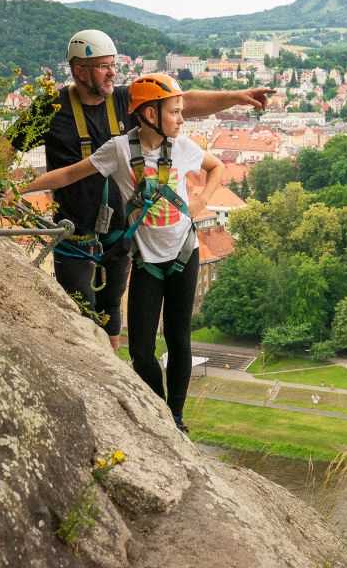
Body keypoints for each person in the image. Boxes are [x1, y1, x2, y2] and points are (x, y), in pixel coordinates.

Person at [6, 30, 271, 351]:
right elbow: (10, 144)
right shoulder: (50, 109)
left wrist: (237, 97)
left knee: (110, 314)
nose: (112, 72)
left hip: (120, 236)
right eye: (103, 66)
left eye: (112, 65)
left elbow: (185, 102)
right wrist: (1, 182)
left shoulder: (123, 100)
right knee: (82, 316)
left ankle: (114, 379)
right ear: (79, 71)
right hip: (74, 237)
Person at [22, 73, 222, 433]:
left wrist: (201, 202)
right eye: (174, 112)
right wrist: (17, 189)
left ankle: (174, 418)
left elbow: (215, 168)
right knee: (141, 350)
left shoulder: (182, 147)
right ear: (149, 115)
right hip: (147, 260)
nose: (181, 118)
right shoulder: (118, 150)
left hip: (182, 255)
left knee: (179, 340)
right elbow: (68, 174)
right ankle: (159, 407)